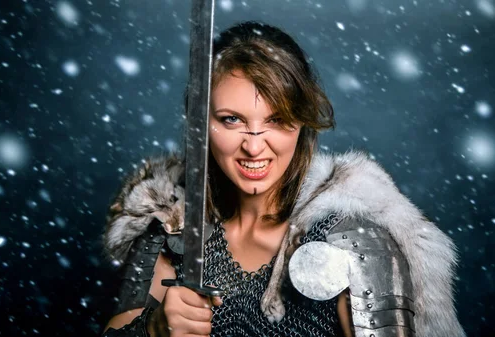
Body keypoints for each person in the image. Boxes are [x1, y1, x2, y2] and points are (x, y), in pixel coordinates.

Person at [100, 21, 466, 337]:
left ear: (302, 122)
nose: (254, 146)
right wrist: (154, 328)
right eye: (232, 119)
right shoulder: (171, 231)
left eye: (276, 120)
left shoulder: (352, 245)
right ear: (201, 123)